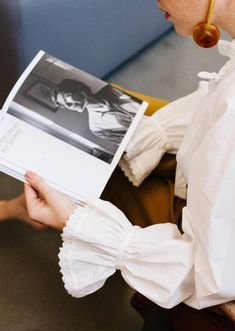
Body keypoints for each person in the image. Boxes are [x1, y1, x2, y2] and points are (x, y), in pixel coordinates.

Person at [2, 0, 235, 310]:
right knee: (116, 110)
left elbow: (208, 272)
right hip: (212, 166)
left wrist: (75, 221)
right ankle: (20, 206)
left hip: (208, 247)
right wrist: (153, 133)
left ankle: (17, 209)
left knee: (83, 170)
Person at [51, 79, 141, 145]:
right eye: (66, 104)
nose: (69, 102)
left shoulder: (112, 89)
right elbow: (130, 145)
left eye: (68, 95)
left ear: (79, 87)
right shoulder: (96, 127)